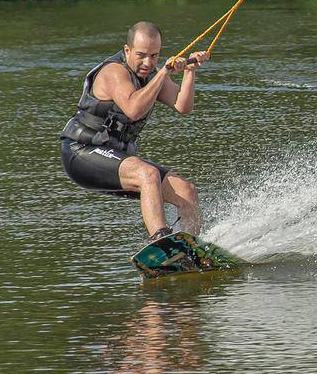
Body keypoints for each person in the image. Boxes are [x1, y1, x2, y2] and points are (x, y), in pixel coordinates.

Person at [61, 22, 210, 240]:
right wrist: (164, 74)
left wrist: (189, 72)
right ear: (127, 50)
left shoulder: (151, 75)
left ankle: (189, 248)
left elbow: (182, 106)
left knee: (187, 191)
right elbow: (133, 110)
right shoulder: (113, 72)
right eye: (141, 55)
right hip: (82, 152)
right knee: (146, 174)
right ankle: (161, 241)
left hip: (115, 156)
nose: (148, 63)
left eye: (154, 56)